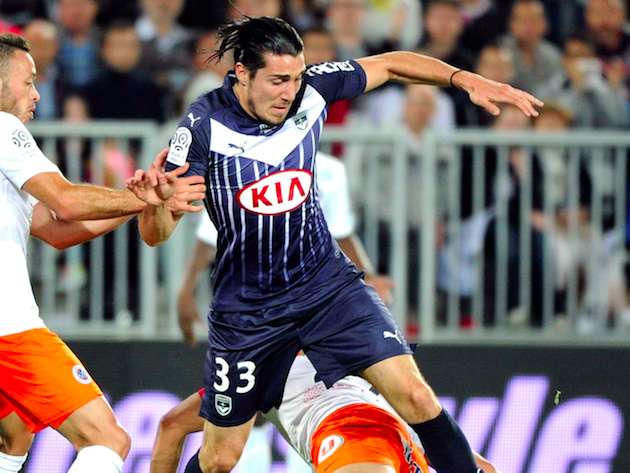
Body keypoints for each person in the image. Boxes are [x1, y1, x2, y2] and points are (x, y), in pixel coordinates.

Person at [128, 16, 542, 473]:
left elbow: (391, 64)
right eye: (277, 80)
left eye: (296, 77)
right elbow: (154, 236)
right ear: (241, 73)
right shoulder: (202, 126)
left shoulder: (312, 91)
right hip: (249, 311)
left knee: (416, 396)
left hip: (327, 287)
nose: (290, 92)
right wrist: (157, 206)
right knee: (218, 460)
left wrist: (465, 79)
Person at [0, 33, 205, 473]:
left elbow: (56, 230)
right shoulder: (3, 128)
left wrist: (139, 201)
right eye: (28, 81)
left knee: (14, 433)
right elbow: (67, 202)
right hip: (8, 329)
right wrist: (151, 197)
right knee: (107, 438)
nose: (36, 94)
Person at [177, 151, 394, 345]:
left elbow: (341, 233)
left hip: (311, 290)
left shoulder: (330, 171)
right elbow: (209, 237)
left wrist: (368, 277)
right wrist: (186, 292)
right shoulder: (236, 168)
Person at [150, 355, 499, 473]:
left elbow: (171, 426)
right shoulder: (349, 332)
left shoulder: (253, 367)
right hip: (400, 436)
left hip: (348, 434)